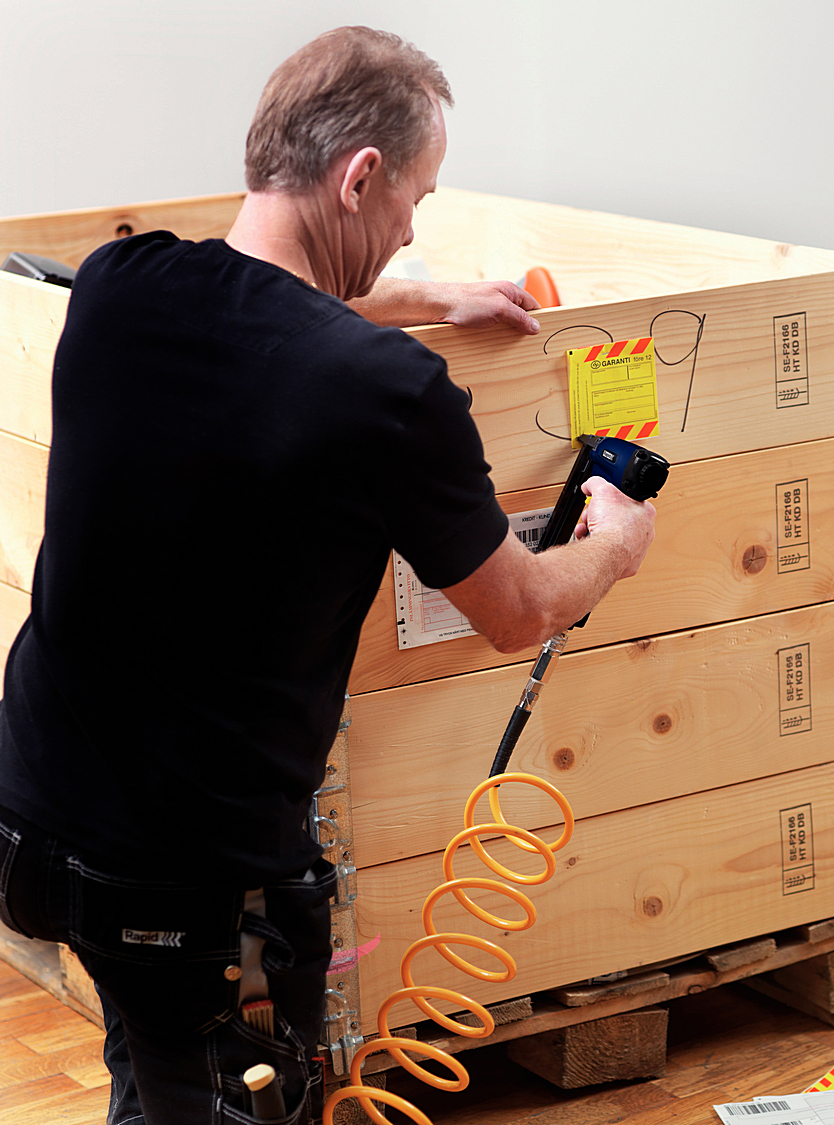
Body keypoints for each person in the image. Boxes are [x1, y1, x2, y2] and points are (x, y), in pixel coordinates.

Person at [0, 26, 655, 1125]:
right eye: (415, 198)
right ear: (359, 178)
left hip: (34, 817)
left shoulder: (120, 284)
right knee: (224, 1098)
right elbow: (518, 609)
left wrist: (425, 297)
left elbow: (263, 320)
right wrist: (616, 544)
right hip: (196, 879)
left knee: (149, 1065)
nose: (411, 231)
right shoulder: (388, 397)